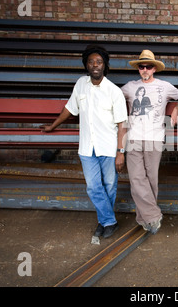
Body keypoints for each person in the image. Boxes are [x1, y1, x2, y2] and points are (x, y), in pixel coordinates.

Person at [41, 44, 128, 240]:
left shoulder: (114, 91)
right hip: (87, 147)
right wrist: (53, 126)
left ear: (104, 65)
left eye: (99, 62)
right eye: (91, 62)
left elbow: (123, 124)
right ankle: (109, 221)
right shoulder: (81, 84)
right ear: (86, 65)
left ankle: (103, 221)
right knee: (93, 186)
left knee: (109, 185)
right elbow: (69, 109)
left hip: (108, 146)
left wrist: (121, 151)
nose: (95, 65)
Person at [121, 49, 178, 234]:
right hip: (134, 137)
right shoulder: (129, 87)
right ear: (138, 68)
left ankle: (144, 219)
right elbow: (113, 100)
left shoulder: (165, 86)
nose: (145, 69)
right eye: (142, 66)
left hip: (154, 138)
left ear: (154, 68)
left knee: (151, 180)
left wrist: (177, 108)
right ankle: (154, 216)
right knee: (137, 179)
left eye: (148, 66)